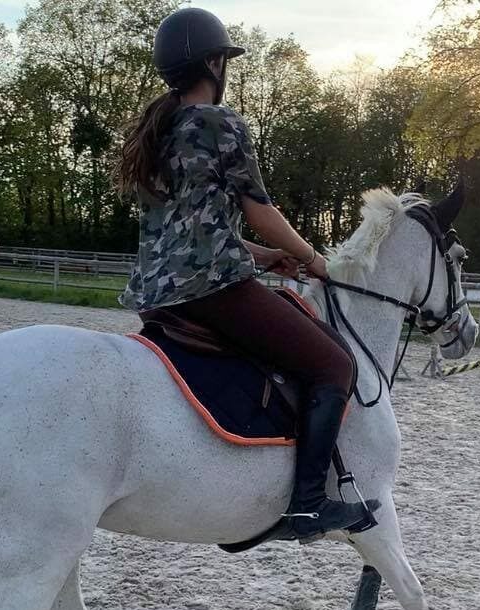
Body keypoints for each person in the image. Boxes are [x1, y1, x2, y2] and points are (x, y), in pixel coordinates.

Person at [115, 7, 378, 541]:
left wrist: (259, 255)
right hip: (213, 291)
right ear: (214, 63)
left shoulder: (157, 131)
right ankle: (307, 505)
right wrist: (311, 259)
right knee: (333, 365)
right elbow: (259, 208)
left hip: (158, 295)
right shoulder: (218, 123)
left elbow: (191, 229)